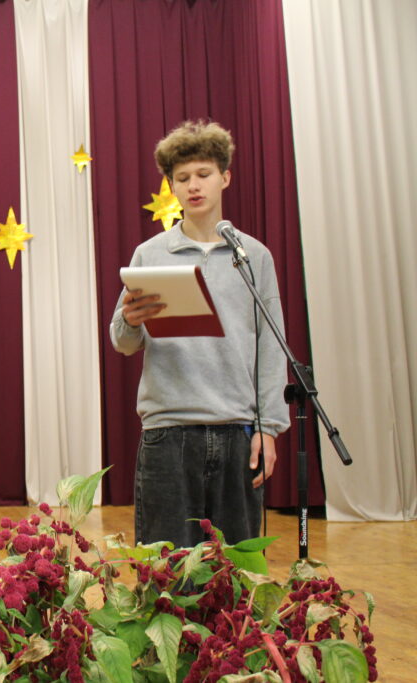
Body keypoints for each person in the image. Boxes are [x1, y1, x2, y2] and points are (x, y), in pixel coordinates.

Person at [110, 120, 289, 548]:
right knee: (167, 571)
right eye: (182, 178)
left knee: (234, 569)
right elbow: (123, 342)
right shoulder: (150, 254)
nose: (193, 185)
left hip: (237, 431)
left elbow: (271, 346)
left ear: (225, 177)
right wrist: (131, 320)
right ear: (172, 186)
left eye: (204, 174)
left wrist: (268, 428)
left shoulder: (254, 256)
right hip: (168, 431)